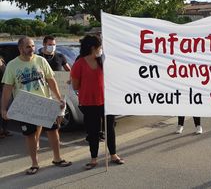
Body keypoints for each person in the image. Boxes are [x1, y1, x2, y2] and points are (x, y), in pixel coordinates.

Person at [1, 37, 72, 175]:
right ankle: (34, 163)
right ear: (20, 49)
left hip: (44, 103)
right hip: (25, 105)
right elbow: (7, 89)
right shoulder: (12, 65)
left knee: (53, 131)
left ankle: (57, 158)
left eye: (33, 46)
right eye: (28, 46)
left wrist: (58, 98)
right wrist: (3, 108)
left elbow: (51, 81)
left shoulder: (41, 60)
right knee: (30, 135)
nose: (31, 49)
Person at [70, 35, 124, 170]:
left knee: (110, 129)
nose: (101, 50)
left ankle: (113, 154)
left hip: (106, 101)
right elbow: (75, 86)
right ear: (93, 48)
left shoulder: (103, 61)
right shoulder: (79, 64)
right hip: (88, 103)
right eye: (100, 47)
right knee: (93, 132)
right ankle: (93, 158)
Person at [36, 35, 71, 148]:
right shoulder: (38, 57)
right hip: (44, 90)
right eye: (50, 44)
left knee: (60, 113)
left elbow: (68, 70)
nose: (52, 46)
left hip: (60, 90)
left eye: (54, 44)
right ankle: (36, 140)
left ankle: (56, 132)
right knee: (42, 116)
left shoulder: (60, 56)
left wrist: (70, 78)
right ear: (44, 44)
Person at [0, 56, 9, 138]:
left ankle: (4, 130)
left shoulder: (2, 59)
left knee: (6, 110)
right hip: (1, 88)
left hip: (5, 88)